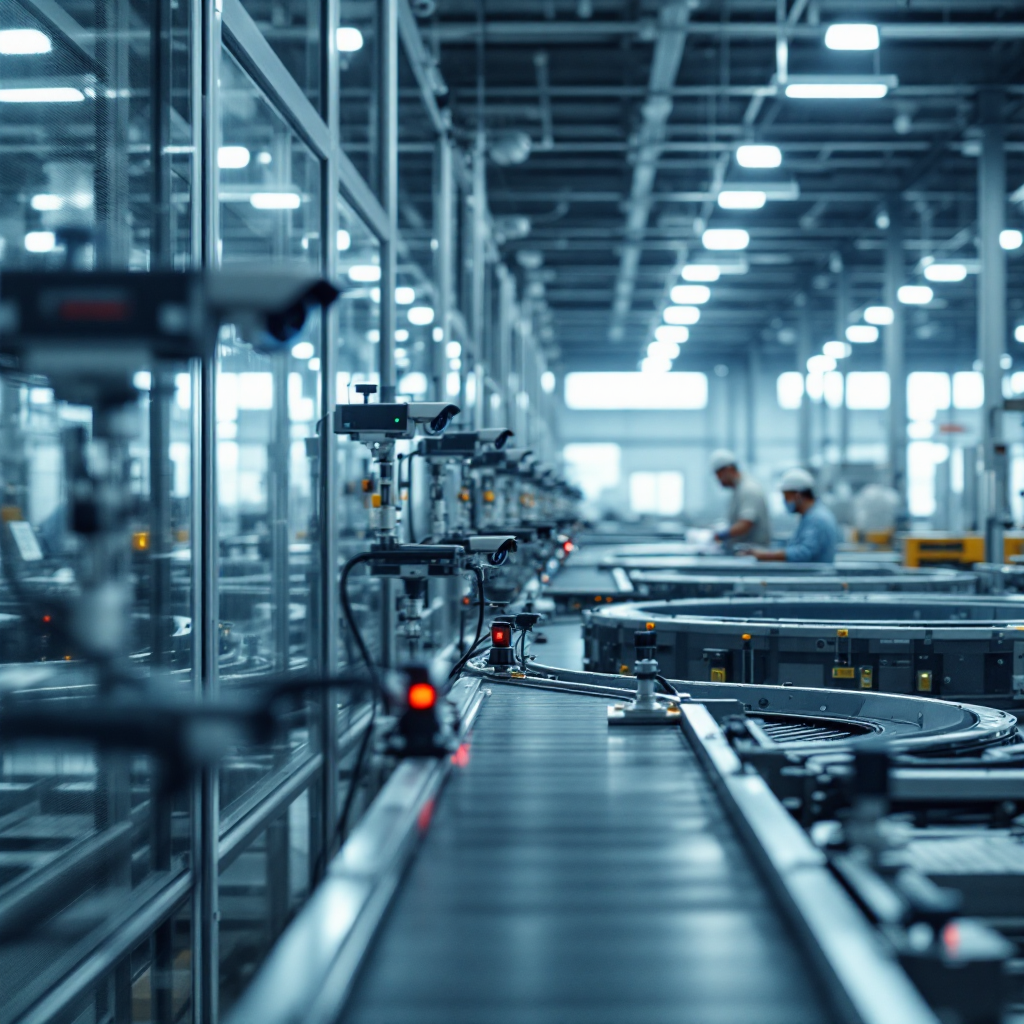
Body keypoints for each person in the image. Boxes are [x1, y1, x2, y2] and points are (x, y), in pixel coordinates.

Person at [751, 468, 838, 564]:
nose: (785, 501)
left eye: (786, 497)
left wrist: (767, 555)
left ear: (798, 496)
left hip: (814, 573)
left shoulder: (817, 519)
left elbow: (804, 553)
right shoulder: (810, 516)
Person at [709, 449, 771, 549]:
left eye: (719, 475)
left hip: (753, 552)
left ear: (729, 470)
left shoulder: (748, 489)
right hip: (744, 551)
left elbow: (745, 524)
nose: (718, 480)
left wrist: (720, 535)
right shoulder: (738, 489)